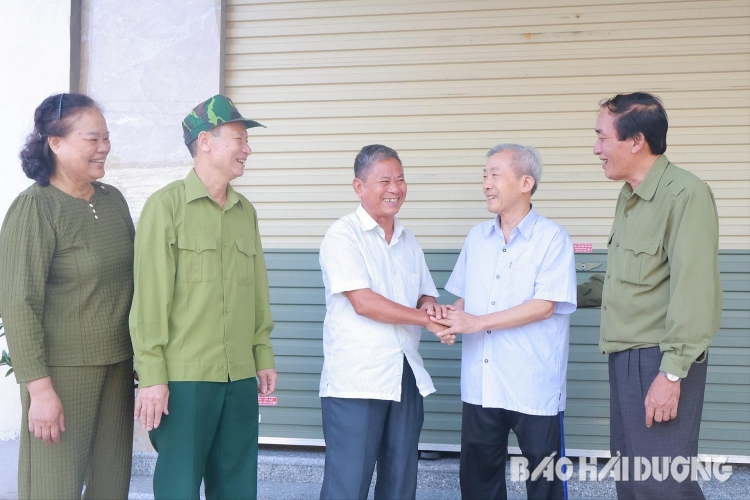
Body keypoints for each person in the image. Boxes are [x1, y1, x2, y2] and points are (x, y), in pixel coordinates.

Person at [129, 94, 276, 499]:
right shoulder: (167, 207)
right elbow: (150, 301)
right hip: (185, 378)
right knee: (179, 484)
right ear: (205, 141)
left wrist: (261, 353)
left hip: (240, 375)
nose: (248, 149)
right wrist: (153, 376)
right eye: (239, 138)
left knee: (237, 484)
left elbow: (258, 290)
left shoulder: (245, 210)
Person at [0, 93, 135, 499]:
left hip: (118, 368)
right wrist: (40, 391)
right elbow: (18, 303)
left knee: (111, 485)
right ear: (55, 143)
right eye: (92, 139)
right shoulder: (34, 208)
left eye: (106, 138)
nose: (104, 148)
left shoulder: (112, 200)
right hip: (61, 374)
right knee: (53, 487)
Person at [592, 92, 722, 498]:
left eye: (602, 137)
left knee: (663, 484)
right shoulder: (630, 196)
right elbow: (623, 281)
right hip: (625, 358)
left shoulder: (686, 194)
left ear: (636, 141)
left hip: (659, 360)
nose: (595, 148)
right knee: (631, 481)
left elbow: (694, 289)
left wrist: (671, 373)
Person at [431, 144, 577, 500]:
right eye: (484, 175)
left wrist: (475, 323)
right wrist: (451, 320)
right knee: (478, 480)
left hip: (533, 383)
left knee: (545, 482)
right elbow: (465, 297)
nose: (486, 184)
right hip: (482, 382)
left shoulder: (552, 238)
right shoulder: (477, 237)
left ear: (525, 182)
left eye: (495, 174)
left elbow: (544, 306)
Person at [318, 144, 453, 500]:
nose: (395, 188)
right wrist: (427, 320)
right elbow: (363, 302)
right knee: (347, 485)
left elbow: (425, 295)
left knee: (400, 482)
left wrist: (433, 311)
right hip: (357, 380)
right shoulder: (342, 235)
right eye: (384, 181)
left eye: (401, 179)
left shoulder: (409, 240)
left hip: (405, 373)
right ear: (358, 187)